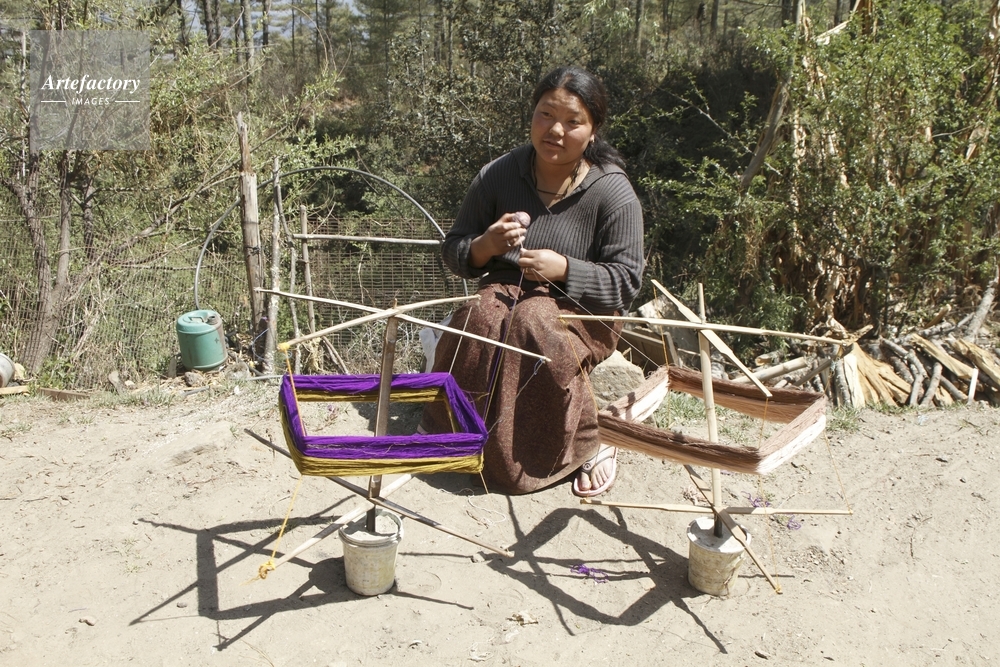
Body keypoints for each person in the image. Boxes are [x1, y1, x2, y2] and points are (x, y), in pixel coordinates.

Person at [420, 65, 644, 496]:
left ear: (593, 131)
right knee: (479, 315)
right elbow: (454, 251)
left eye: (573, 121)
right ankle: (453, 433)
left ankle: (580, 446)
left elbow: (626, 283)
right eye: (546, 115)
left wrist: (566, 269)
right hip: (505, 294)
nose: (555, 130)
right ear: (532, 115)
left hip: (584, 311)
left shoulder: (613, 192)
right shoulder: (500, 174)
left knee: (534, 320)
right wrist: (484, 245)